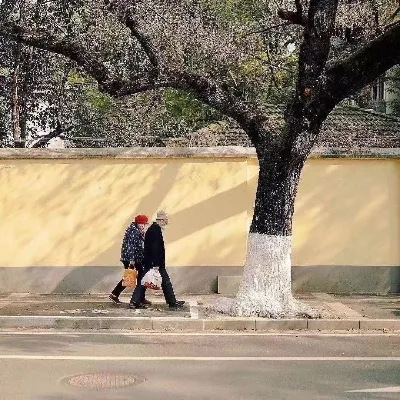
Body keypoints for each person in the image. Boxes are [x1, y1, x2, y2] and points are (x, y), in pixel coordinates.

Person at [129, 210, 185, 310]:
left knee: (164, 282)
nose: (166, 222)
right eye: (166, 220)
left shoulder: (154, 229)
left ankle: (172, 302)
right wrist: (155, 264)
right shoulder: (155, 230)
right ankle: (134, 302)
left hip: (154, 262)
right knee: (144, 282)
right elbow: (155, 248)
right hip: (154, 263)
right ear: (161, 220)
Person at [109, 214, 151, 306]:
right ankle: (114, 294)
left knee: (141, 277)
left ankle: (141, 297)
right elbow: (130, 247)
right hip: (130, 259)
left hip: (137, 258)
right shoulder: (133, 232)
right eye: (142, 224)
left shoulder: (138, 231)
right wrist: (131, 261)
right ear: (137, 223)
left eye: (144, 224)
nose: (143, 226)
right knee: (130, 277)